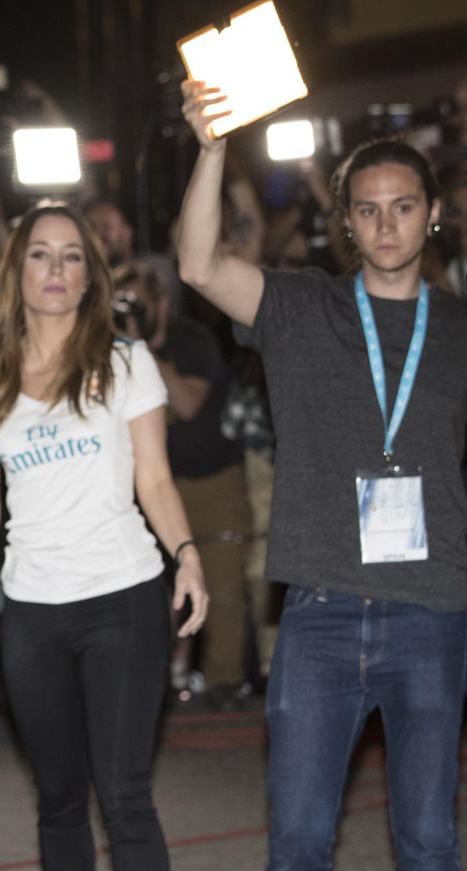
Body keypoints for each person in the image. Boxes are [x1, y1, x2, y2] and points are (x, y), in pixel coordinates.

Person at [178, 80, 467, 871]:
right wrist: (211, 148)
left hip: (435, 610)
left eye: (403, 205)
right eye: (368, 209)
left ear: (432, 211)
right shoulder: (301, 306)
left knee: (431, 840)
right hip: (320, 613)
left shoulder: (459, 330)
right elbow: (199, 263)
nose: (385, 222)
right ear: (345, 221)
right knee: (300, 841)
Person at [0, 202, 208, 871]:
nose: (56, 268)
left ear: (91, 277)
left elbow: (154, 479)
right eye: (40, 253)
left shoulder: (126, 364)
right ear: (17, 271)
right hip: (32, 613)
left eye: (71, 255)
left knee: (124, 795)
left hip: (123, 597)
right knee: (58, 798)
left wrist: (188, 556)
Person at [115, 265, 253, 704]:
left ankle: (223, 684)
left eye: (137, 303)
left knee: (222, 586)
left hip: (213, 480)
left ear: (161, 303)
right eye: (121, 303)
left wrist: (138, 344)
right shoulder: (110, 351)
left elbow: (189, 404)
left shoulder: (190, 340)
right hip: (152, 485)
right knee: (153, 591)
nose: (129, 312)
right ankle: (159, 683)